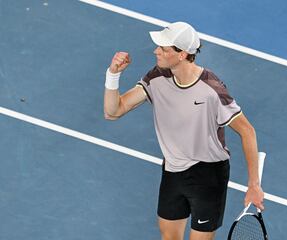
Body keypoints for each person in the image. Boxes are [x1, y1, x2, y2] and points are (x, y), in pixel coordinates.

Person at [103, 22, 264, 240]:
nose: (155, 51)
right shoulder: (156, 77)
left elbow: (248, 132)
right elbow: (113, 112)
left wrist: (253, 185)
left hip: (208, 174)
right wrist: (113, 75)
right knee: (168, 237)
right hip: (173, 170)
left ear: (182, 54)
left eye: (164, 48)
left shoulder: (212, 90)